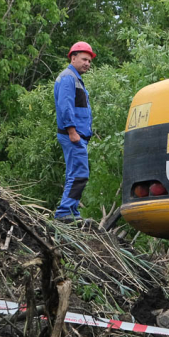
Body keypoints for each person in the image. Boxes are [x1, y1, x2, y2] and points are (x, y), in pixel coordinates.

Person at [54, 41, 96, 221]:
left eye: (89, 61)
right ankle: (65, 212)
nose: (87, 63)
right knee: (79, 174)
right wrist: (72, 132)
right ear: (73, 57)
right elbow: (65, 106)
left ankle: (71, 211)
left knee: (75, 173)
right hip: (72, 136)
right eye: (84, 59)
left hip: (77, 135)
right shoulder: (68, 77)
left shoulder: (74, 78)